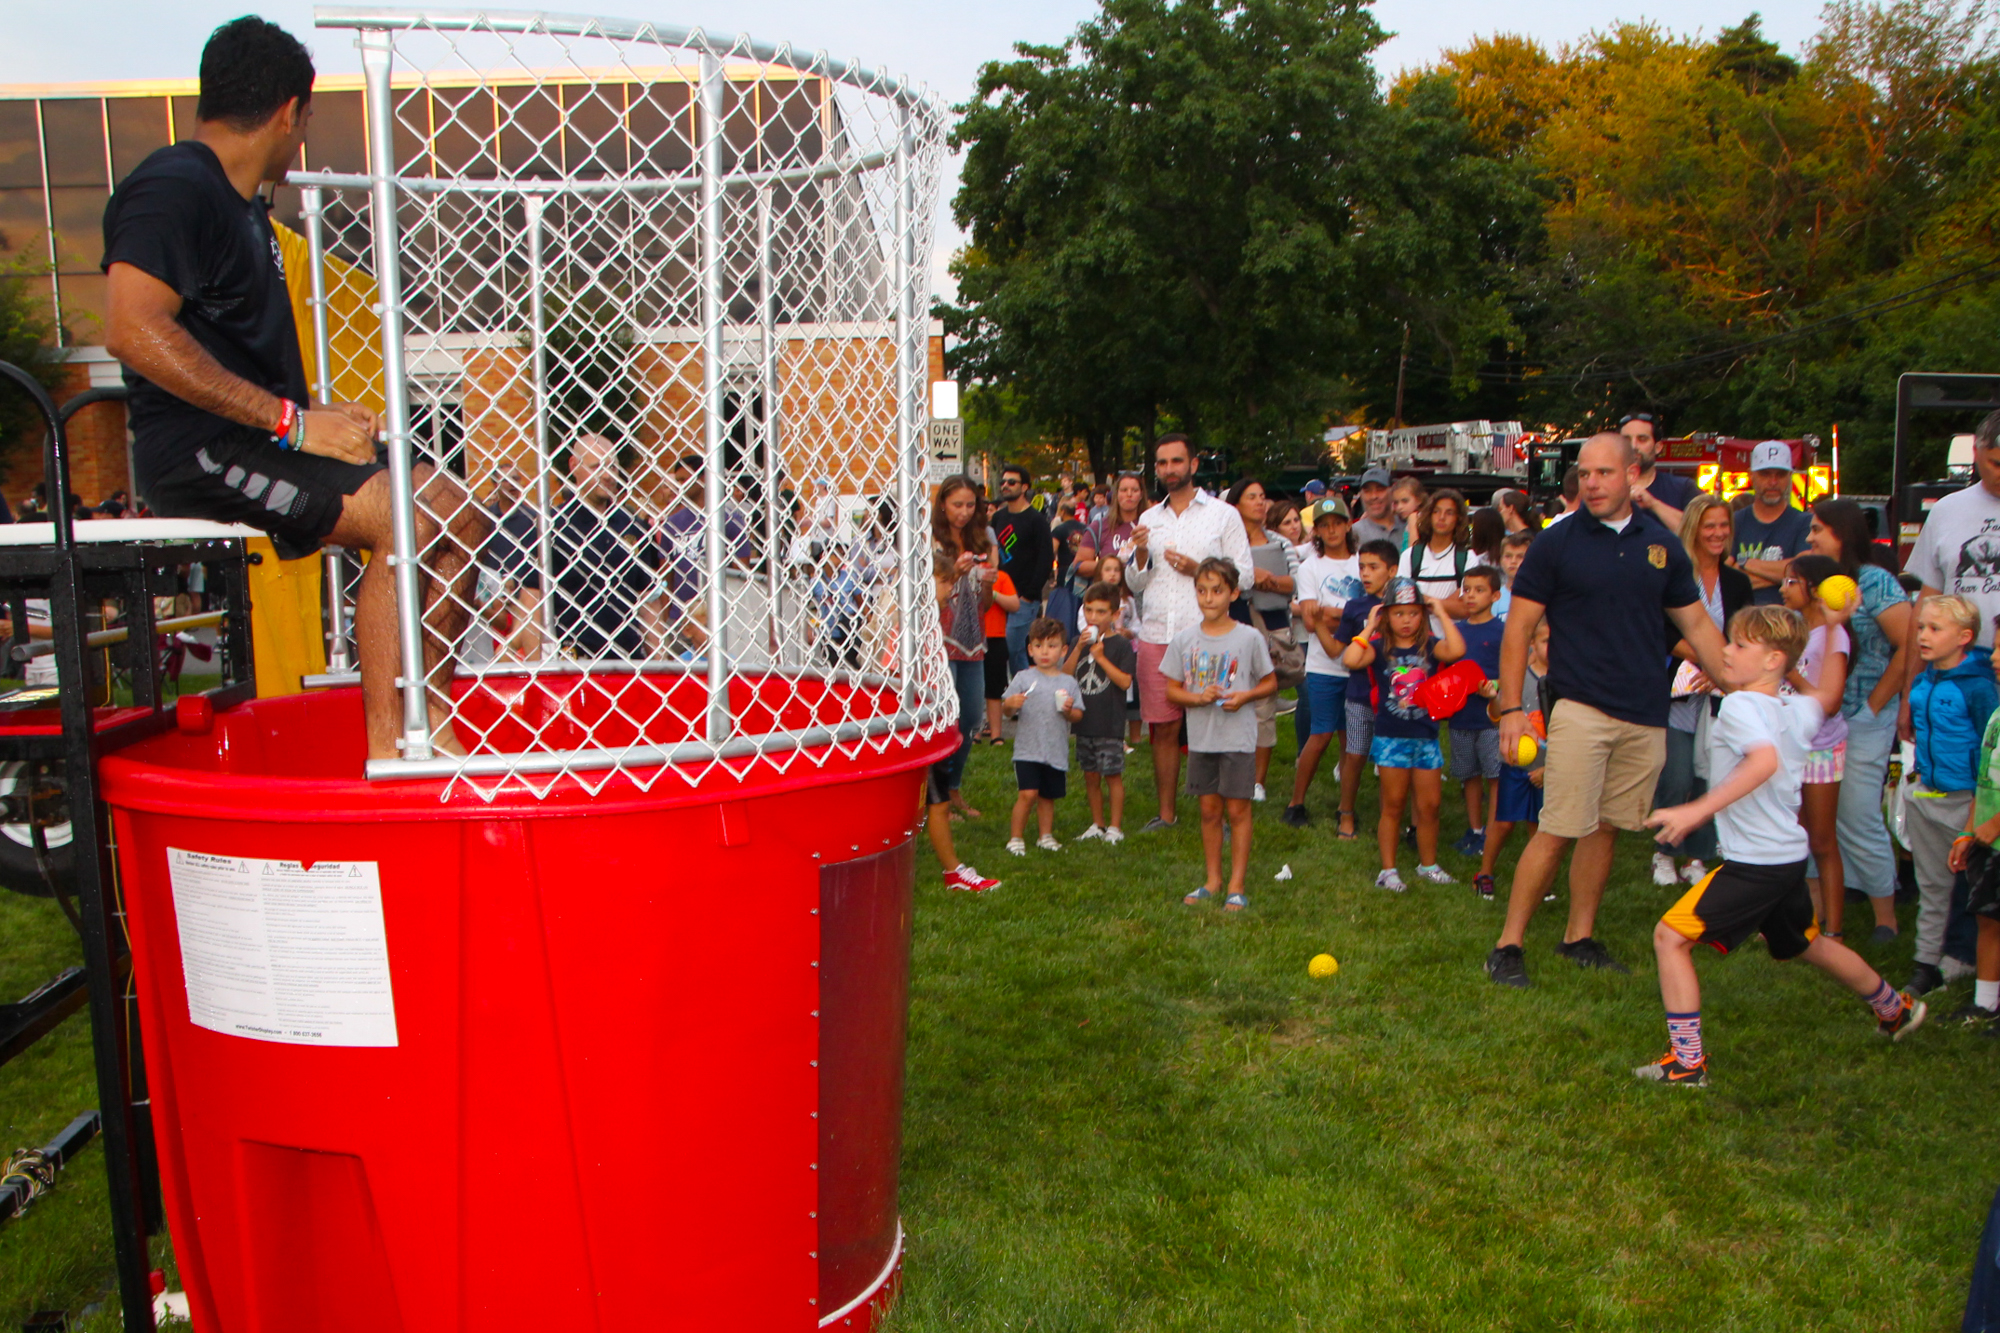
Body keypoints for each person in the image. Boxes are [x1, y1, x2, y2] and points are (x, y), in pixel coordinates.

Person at [101, 16, 486, 761]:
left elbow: (233, 352)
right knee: (402, 522)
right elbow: (130, 328)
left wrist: (310, 417)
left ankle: (430, 720)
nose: (304, 135)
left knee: (455, 509)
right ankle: (389, 752)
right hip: (201, 449)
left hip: (263, 435)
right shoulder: (174, 185)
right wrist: (293, 422)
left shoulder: (245, 205)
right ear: (288, 113)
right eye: (306, 121)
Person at [1636, 604, 1925, 1088]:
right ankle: (1895, 1009)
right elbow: (1827, 694)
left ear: (1773, 660)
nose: (1726, 651)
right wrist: (1835, 626)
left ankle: (1686, 1064)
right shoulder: (1797, 709)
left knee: (1670, 938)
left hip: (1756, 864)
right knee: (1807, 944)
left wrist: (1696, 810)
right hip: (1788, 858)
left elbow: (1763, 762)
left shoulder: (1741, 707)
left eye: (1739, 645)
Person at [1488, 434, 1729, 988]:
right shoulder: (1556, 542)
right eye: (1585, 473)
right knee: (1558, 828)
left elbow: (1695, 624)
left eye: (1604, 473)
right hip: (1580, 706)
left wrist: (1743, 684)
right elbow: (1519, 628)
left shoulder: (1662, 545)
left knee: (1606, 828)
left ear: (1633, 474)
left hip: (1645, 712)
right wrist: (1512, 708)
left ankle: (1579, 937)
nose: (1591, 483)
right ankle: (1507, 946)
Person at [1126, 434, 1255, 832]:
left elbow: (1246, 576)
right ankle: (1166, 814)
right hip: (1157, 634)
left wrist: (1199, 569)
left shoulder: (1223, 515)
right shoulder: (1149, 518)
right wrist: (1142, 555)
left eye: (1177, 461)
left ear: (1194, 465)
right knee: (1163, 728)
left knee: (1217, 726)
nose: (1169, 469)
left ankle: (1222, 814)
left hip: (1209, 636)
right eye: (1162, 463)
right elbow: (1134, 583)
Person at [1809, 497, 1914, 942]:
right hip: (1820, 719)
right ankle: (1816, 915)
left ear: (1842, 533)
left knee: (1857, 814)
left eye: (1817, 529)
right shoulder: (1818, 581)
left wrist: (1876, 703)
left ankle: (1885, 916)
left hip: (1866, 716)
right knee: (1815, 819)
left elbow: (1909, 643)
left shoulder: (1876, 581)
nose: (1810, 536)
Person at [1651, 494, 1753, 889]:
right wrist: (1705, 659)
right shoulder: (1674, 576)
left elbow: (1745, 633)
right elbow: (1662, 629)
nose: (1717, 533)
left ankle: (1699, 855)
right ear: (1694, 528)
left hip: (1721, 692)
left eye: (1724, 525)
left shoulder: (1737, 581)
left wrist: (1722, 672)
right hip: (1677, 689)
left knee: (1710, 774)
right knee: (1676, 774)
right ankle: (1664, 851)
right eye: (1710, 525)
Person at [1163, 559, 1277, 910]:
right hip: (1202, 739)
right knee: (1209, 810)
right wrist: (1198, 698)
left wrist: (1245, 696)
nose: (1208, 598)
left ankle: (1236, 884)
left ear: (1233, 594)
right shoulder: (1184, 639)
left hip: (1237, 739)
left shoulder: (1249, 637)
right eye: (1202, 591)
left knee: (1238, 810)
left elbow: (1269, 682)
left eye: (1216, 591)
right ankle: (1213, 880)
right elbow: (1172, 690)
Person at [1903, 594, 1997, 996]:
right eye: (1921, 627)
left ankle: (1961, 957)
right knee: (1932, 884)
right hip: (1928, 796)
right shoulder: (1923, 681)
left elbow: (1991, 748)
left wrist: (1981, 805)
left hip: (1968, 802)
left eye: (1934, 629)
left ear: (1964, 637)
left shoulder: (1980, 688)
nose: (1923, 636)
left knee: (1970, 887)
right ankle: (1926, 962)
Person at [1344, 578, 1465, 890]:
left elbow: (1457, 649)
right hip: (1391, 738)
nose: (1407, 620)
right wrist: (1371, 626)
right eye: (1398, 613)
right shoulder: (1378, 648)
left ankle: (1428, 864)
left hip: (1426, 737)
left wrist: (1441, 611)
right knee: (1394, 804)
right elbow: (1350, 659)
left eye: (1414, 613)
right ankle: (1388, 870)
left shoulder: (1431, 646)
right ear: (1387, 615)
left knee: (1430, 806)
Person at [545, 433, 666, 659]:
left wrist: (659, 663)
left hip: (628, 659)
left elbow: (648, 600)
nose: (607, 475)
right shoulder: (552, 526)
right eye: (596, 467)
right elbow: (532, 600)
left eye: (612, 467)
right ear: (574, 465)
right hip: (573, 658)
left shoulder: (634, 527)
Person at [1780, 554, 1851, 933]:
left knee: (1822, 843)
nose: (1783, 588)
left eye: (1792, 581)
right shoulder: (1794, 630)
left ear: (1815, 588)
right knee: (1792, 838)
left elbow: (1830, 702)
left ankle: (1834, 930)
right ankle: (1791, 923)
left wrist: (1790, 673)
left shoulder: (1833, 636)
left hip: (1821, 748)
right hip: (1790, 744)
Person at [926, 553, 1002, 893]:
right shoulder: (913, 624)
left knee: (934, 800)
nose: (950, 588)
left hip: (927, 721)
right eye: (943, 582)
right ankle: (952, 872)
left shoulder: (930, 620)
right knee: (937, 802)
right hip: (921, 725)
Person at [1283, 499, 1360, 827]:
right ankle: (1296, 802)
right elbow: (1310, 620)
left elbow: (1371, 612)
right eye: (1324, 525)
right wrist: (1351, 615)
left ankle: (1346, 806)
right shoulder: (1311, 567)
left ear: (1348, 525)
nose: (1331, 530)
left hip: (1358, 664)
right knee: (1321, 734)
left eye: (1337, 523)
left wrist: (1330, 613)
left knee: (1350, 739)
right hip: (1323, 665)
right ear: (1316, 530)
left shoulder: (1361, 563)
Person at [931, 476, 1000, 816]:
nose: (964, 511)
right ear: (943, 504)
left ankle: (953, 788)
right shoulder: (930, 541)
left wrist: (988, 583)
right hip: (940, 641)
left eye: (970, 505)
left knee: (970, 718)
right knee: (942, 719)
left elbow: (985, 604)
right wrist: (957, 573)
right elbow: (928, 597)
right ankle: (937, 797)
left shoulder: (983, 539)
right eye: (957, 504)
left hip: (973, 642)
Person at [1227, 477, 1296, 800]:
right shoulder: (1226, 544)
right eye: (1251, 496)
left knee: (1264, 703)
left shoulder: (1280, 543)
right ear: (1235, 504)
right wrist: (1250, 576)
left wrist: (1269, 581)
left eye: (1262, 496)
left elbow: (1296, 581)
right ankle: (1230, 770)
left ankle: (1257, 781)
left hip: (1271, 626)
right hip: (1235, 623)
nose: (1259, 502)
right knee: (1231, 698)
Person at [1476, 617, 1551, 902]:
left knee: (1539, 827)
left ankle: (1539, 881)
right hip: (1514, 764)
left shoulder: (1566, 684)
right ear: (1532, 643)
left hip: (1548, 768)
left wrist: (1548, 767)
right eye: (1546, 641)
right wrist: (1493, 698)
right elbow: (1497, 717)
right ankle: (1484, 873)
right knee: (1504, 823)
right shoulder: (1518, 678)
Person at [1332, 539, 1401, 839]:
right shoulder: (1355, 607)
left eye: (1373, 567)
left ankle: (1391, 818)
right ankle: (1345, 811)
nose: (1365, 573)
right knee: (1355, 754)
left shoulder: (1405, 608)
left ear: (1392, 571)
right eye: (1362, 567)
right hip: (1360, 694)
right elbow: (1345, 651)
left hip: (1395, 698)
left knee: (1390, 760)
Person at [1947, 638, 2000, 1025]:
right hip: (1986, 837)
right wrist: (1968, 831)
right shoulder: (1996, 714)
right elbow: (1983, 780)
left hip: (1993, 832)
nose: (1993, 657)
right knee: (1988, 918)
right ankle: (1985, 1002)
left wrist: (1993, 825)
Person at [1001, 617, 1085, 855]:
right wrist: (1011, 704)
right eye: (1039, 646)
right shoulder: (1023, 678)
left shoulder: (1068, 682)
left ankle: (1045, 835)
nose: (1045, 652)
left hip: (1055, 749)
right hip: (1028, 749)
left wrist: (1068, 711)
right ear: (1030, 649)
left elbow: (1078, 715)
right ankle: (1016, 837)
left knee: (1048, 796)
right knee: (1027, 794)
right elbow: (1006, 710)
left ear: (1063, 650)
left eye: (1052, 645)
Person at [1068, 583, 1138, 843]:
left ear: (1115, 614)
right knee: (1090, 775)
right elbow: (1064, 676)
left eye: (1100, 612)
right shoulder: (1077, 642)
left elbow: (1125, 682)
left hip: (1110, 722)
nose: (1093, 617)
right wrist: (1078, 649)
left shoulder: (1121, 645)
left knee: (1112, 775)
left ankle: (1115, 827)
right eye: (1089, 610)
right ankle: (1097, 824)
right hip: (1084, 721)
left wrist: (1101, 658)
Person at [1449, 566, 1506, 858]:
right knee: (1469, 776)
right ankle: (1475, 829)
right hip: (1460, 717)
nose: (1470, 595)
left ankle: (1492, 834)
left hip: (1490, 719)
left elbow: (1513, 673)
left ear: (1495, 596)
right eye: (1467, 589)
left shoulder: (1501, 632)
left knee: (1495, 776)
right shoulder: (1456, 632)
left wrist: (1493, 686)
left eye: (1479, 590)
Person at [992, 463, 1055, 673]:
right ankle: (1006, 690)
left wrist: (1028, 595)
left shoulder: (1036, 520)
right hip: (999, 595)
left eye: (1012, 482)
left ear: (1025, 486)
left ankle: (1024, 689)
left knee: (1015, 648)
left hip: (1023, 598)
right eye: (1003, 482)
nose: (1005, 486)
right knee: (999, 650)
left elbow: (1045, 559)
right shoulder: (998, 517)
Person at [1732, 441, 1812, 605]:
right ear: (1751, 475)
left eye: (1780, 475)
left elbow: (1803, 571)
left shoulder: (1805, 523)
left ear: (1790, 477)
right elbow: (1723, 578)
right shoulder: (1734, 521)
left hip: (1788, 617)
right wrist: (1783, 575)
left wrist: (1745, 563)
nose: (1773, 482)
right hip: (1740, 616)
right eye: (1765, 474)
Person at [1621, 410, 1699, 530]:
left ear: (1658, 447)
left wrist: (1653, 504)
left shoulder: (1683, 488)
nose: (1633, 446)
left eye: (1642, 439)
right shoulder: (1603, 488)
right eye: (1626, 440)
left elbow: (1697, 533)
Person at [1397, 488, 1470, 601]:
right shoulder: (1409, 556)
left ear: (1458, 519)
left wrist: (1420, 598)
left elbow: (1466, 605)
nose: (1441, 517)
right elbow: (1403, 599)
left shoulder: (1468, 558)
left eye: (1449, 513)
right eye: (1436, 511)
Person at [1350, 466, 1399, 547]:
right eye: (1367, 491)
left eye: (1380, 490)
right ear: (1361, 495)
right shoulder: (1354, 533)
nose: (1374, 496)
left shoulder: (1408, 526)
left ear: (1392, 491)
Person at [1494, 529, 1532, 618]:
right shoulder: (1494, 597)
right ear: (1500, 559)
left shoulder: (1540, 595)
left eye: (1520, 556)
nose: (1513, 561)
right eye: (1508, 556)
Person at [1388, 476, 1426, 552]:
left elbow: (1413, 551)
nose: (1399, 507)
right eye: (1396, 503)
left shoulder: (1414, 518)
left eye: (1405, 501)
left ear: (1419, 500)